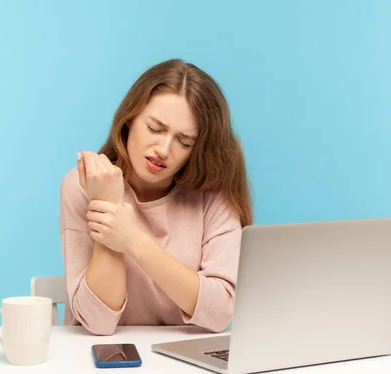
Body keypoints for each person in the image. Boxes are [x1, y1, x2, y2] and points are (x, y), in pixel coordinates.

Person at [59, 58, 252, 335]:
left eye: (184, 141)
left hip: (181, 363)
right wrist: (107, 205)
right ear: (130, 120)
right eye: (155, 129)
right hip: (101, 362)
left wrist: (134, 240)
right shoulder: (84, 185)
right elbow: (98, 322)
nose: (163, 149)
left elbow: (220, 311)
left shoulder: (213, 195)